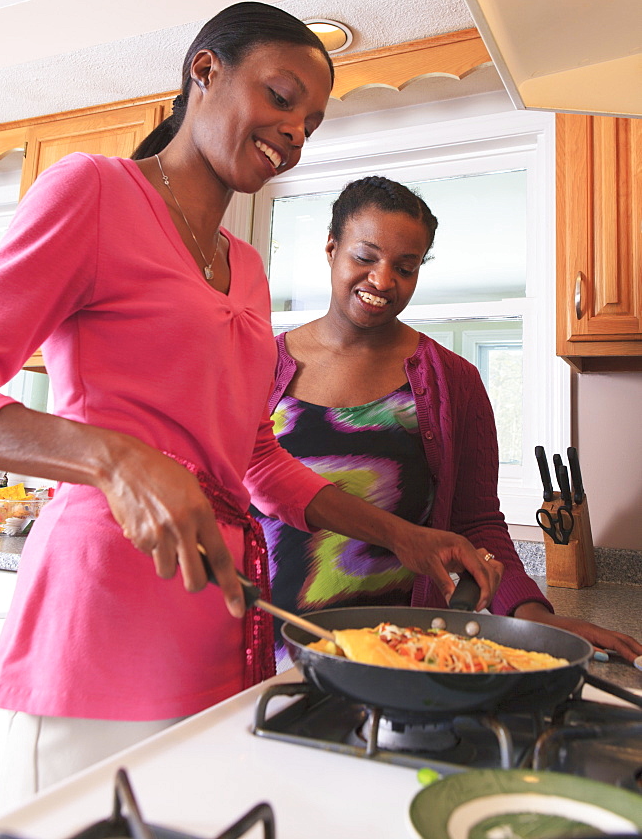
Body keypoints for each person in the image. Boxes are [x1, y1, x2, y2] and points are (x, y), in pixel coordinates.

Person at [0, 5, 500, 803]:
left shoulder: (247, 268)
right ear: (205, 72)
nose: (295, 131)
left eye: (312, 122)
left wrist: (410, 539)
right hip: (105, 608)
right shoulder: (93, 191)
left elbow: (254, 458)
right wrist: (113, 458)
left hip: (222, 617)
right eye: (282, 97)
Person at [249, 175, 642, 670]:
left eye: (406, 267)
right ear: (331, 248)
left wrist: (535, 618)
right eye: (365, 258)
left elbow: (476, 523)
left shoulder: (453, 381)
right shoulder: (256, 363)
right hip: (268, 650)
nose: (382, 280)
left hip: (406, 655)